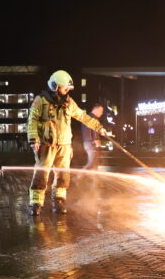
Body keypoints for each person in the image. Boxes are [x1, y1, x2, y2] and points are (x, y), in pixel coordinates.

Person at [27, 70, 107, 216]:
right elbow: (32, 120)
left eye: (68, 88)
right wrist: (33, 138)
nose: (67, 90)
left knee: (63, 175)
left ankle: (59, 200)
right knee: (41, 174)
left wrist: (98, 127)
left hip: (64, 145)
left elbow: (82, 116)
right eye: (65, 88)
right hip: (46, 145)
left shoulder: (68, 102)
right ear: (54, 86)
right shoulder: (40, 101)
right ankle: (36, 203)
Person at [81, 104, 105, 170]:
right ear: (96, 109)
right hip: (90, 143)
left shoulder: (94, 118)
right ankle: (79, 175)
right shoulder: (89, 118)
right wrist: (94, 140)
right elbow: (87, 132)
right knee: (92, 163)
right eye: (101, 111)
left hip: (91, 143)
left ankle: (94, 178)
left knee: (94, 163)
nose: (101, 113)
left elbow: (95, 131)